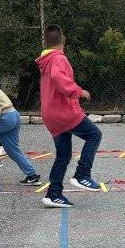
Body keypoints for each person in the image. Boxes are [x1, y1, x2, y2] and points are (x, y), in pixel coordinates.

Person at [36, 25, 103, 208]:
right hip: (63, 112)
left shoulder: (46, 59)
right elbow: (59, 79)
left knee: (63, 155)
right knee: (94, 135)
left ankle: (53, 194)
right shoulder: (58, 58)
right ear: (63, 40)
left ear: (46, 42)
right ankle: (82, 174)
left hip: (50, 114)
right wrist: (78, 91)